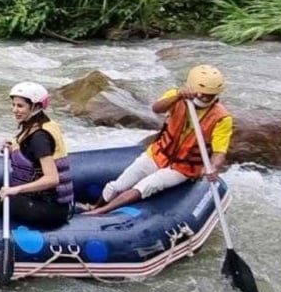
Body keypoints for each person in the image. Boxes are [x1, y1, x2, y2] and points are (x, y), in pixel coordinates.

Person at [80, 65, 233, 217]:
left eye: (211, 95)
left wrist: (213, 167)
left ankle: (102, 211)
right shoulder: (176, 95)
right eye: (203, 93)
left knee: (145, 187)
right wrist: (178, 96)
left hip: (182, 168)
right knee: (117, 186)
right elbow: (157, 108)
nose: (206, 98)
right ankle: (96, 206)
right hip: (157, 154)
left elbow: (219, 152)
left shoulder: (221, 118)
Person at [0, 82, 72, 229]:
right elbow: (29, 153)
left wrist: (17, 189)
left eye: (20, 106)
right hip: (40, 200)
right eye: (13, 105)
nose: (15, 110)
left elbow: (52, 179)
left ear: (36, 106)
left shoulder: (40, 137)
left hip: (49, 208)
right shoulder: (40, 123)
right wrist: (13, 148)